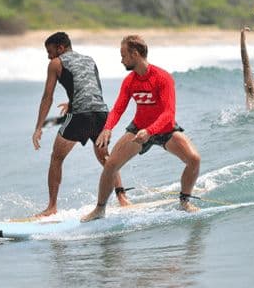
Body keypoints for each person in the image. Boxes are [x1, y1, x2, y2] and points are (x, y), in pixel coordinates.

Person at [80, 35, 202, 222]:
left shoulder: (162, 78)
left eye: (123, 55)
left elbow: (169, 113)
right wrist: (108, 128)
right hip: (138, 129)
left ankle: (184, 202)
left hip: (165, 130)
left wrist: (150, 131)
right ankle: (99, 209)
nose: (121, 60)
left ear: (135, 54)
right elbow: (118, 108)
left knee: (194, 159)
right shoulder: (130, 81)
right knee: (111, 165)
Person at [32, 31, 131, 217]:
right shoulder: (89, 60)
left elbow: (47, 97)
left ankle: (52, 207)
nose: (48, 55)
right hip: (101, 113)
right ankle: (122, 197)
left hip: (80, 116)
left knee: (56, 158)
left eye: (50, 51)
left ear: (60, 48)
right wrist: (72, 103)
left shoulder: (55, 63)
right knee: (105, 158)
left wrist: (39, 127)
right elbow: (92, 88)